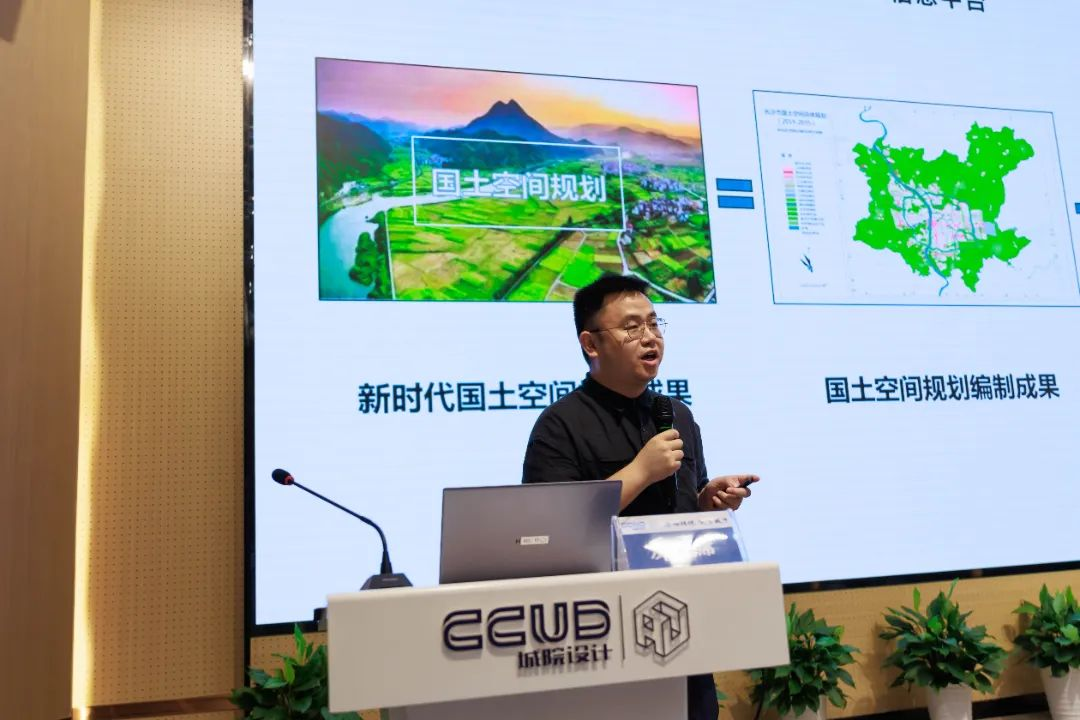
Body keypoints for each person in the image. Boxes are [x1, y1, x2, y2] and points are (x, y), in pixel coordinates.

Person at [522, 273, 759, 720]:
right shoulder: (559, 425)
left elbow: (681, 506)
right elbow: (550, 532)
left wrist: (707, 501)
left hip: (679, 623)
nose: (650, 337)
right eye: (632, 328)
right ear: (591, 344)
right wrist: (639, 472)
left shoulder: (677, 415)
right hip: (600, 637)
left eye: (654, 323)